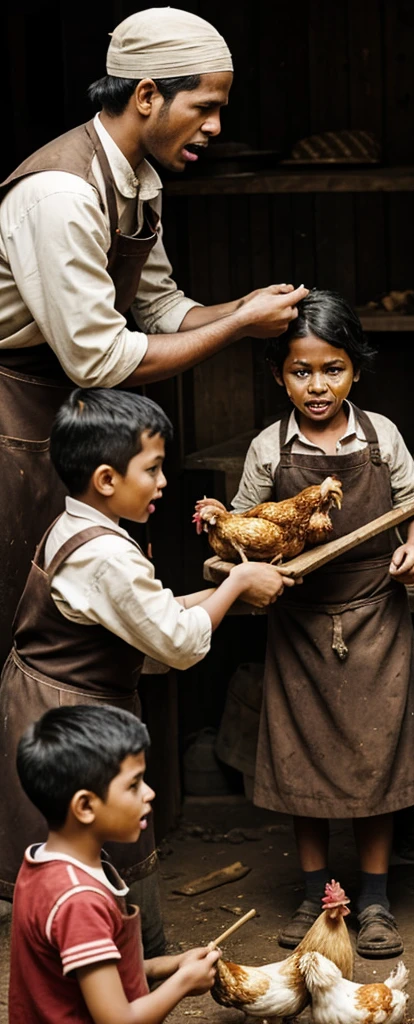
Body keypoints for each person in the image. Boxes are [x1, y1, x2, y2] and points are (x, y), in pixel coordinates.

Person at [0, 5, 307, 663]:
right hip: (16, 416)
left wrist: (241, 307)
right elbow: (100, 358)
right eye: (204, 106)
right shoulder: (61, 194)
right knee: (31, 611)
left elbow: (163, 308)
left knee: (103, 602)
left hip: (75, 413)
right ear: (146, 96)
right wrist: (236, 328)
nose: (217, 126)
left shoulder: (140, 181)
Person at [0, 389, 292, 947]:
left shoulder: (79, 525)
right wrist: (234, 584)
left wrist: (203, 596)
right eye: (153, 469)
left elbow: (143, 615)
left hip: (46, 703)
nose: (163, 482)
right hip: (74, 717)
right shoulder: (107, 555)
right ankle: (134, 965)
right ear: (107, 479)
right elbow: (177, 644)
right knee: (101, 846)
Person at [227, 289, 414, 958]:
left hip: (376, 616)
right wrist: (248, 566)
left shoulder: (382, 436)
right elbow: (241, 528)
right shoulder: (269, 446)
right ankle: (318, 894)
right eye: (300, 371)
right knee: (304, 766)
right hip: (299, 623)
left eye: (333, 369)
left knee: (376, 764)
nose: (318, 386)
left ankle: (373, 901)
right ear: (278, 374)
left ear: (355, 369)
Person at [10, 704, 221, 1024]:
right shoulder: (79, 900)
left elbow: (99, 970)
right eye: (134, 784)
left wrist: (174, 964)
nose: (149, 793)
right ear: (85, 806)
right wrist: (184, 983)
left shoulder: (45, 864)